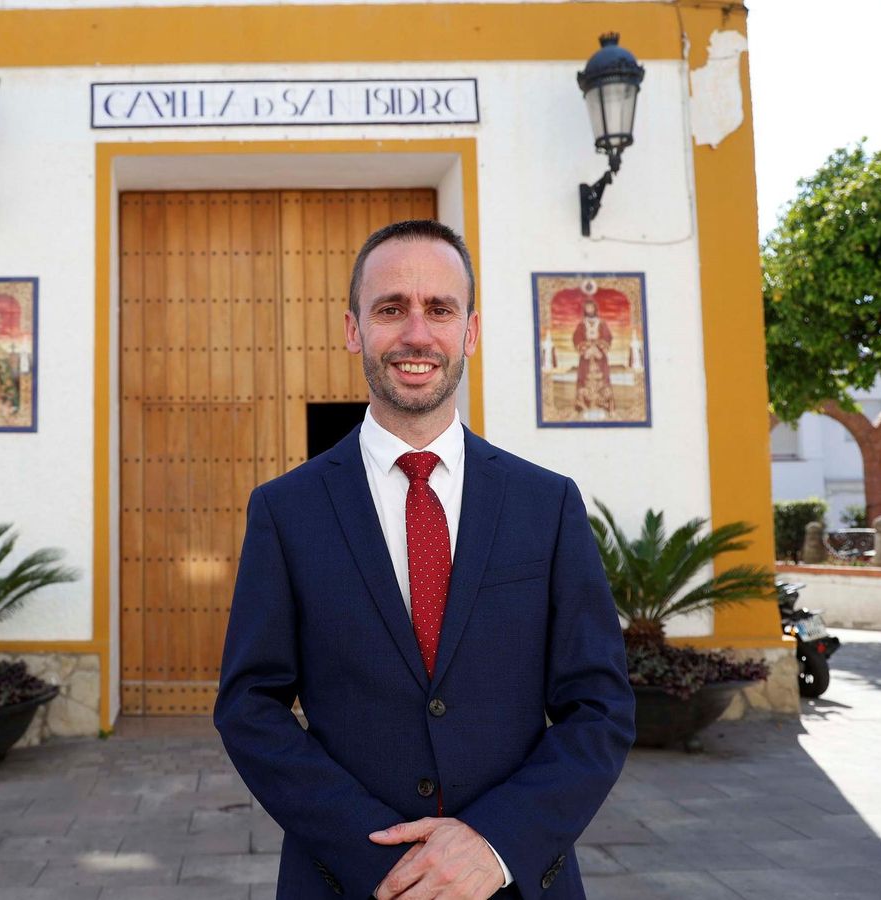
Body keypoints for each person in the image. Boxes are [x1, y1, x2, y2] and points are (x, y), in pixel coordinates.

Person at [213, 220, 634, 900]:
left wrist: (496, 842)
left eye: (439, 309)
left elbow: (601, 706)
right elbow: (249, 707)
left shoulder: (547, 505)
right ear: (353, 330)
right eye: (390, 309)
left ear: (469, 332)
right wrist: (379, 856)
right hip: (348, 882)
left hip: (517, 880)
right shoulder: (285, 511)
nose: (416, 334)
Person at [571, 296, 615, 421]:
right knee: (584, 378)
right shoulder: (581, 324)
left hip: (599, 355)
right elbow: (576, 338)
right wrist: (585, 348)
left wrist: (599, 347)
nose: (589, 309)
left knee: (603, 379)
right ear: (585, 309)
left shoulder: (602, 323)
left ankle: (605, 405)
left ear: (595, 308)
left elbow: (608, 337)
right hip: (586, 356)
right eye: (587, 307)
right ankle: (583, 405)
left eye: (591, 307)